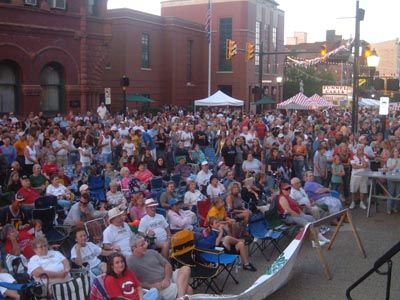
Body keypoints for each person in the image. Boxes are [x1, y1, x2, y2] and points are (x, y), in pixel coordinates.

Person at [127, 235, 193, 300]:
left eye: (145, 243)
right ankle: (181, 296)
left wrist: (167, 278)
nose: (145, 246)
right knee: (188, 290)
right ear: (134, 248)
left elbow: (167, 265)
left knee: (186, 268)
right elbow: (134, 282)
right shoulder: (130, 262)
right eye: (142, 245)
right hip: (160, 285)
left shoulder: (151, 252)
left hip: (168, 276)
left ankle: (180, 297)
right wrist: (152, 286)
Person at [349, 145, 370, 210]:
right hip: (355, 175)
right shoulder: (353, 156)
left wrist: (362, 159)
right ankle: (353, 202)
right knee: (353, 190)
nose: (361, 151)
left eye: (362, 149)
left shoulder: (366, 156)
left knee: (362, 190)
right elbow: (354, 166)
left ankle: (361, 202)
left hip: (363, 175)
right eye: (359, 149)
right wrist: (362, 166)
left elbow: (366, 165)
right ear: (357, 150)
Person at [384, 148, 400, 214]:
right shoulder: (390, 160)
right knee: (391, 193)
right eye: (395, 151)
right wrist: (394, 164)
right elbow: (388, 169)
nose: (396, 153)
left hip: (398, 179)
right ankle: (389, 208)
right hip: (391, 178)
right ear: (393, 153)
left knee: (397, 193)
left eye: (397, 151)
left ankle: (395, 207)